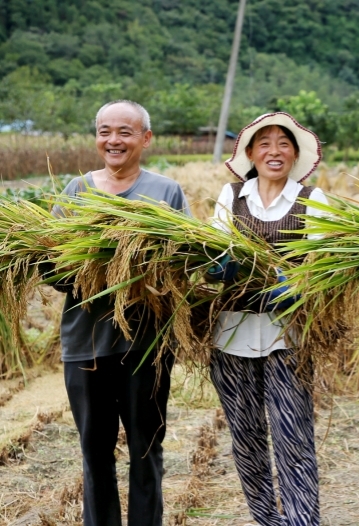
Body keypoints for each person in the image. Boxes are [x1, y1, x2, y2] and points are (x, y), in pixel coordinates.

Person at [53, 100, 190, 526]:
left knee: (146, 449)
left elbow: (184, 263)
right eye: (105, 131)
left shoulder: (166, 193)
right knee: (95, 453)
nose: (114, 140)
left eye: (125, 132)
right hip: (85, 344)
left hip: (146, 343)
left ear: (145, 139)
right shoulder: (76, 192)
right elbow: (52, 264)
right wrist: (94, 270)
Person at [209, 112, 327, 526]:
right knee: (245, 439)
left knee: (293, 438)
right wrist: (217, 268)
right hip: (231, 335)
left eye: (283, 143)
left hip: (287, 337)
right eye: (264, 143)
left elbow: (323, 266)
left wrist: (295, 285)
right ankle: (266, 520)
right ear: (250, 154)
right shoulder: (232, 196)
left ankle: (301, 522)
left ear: (295, 155)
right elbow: (215, 248)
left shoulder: (314, 200)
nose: (274, 151)